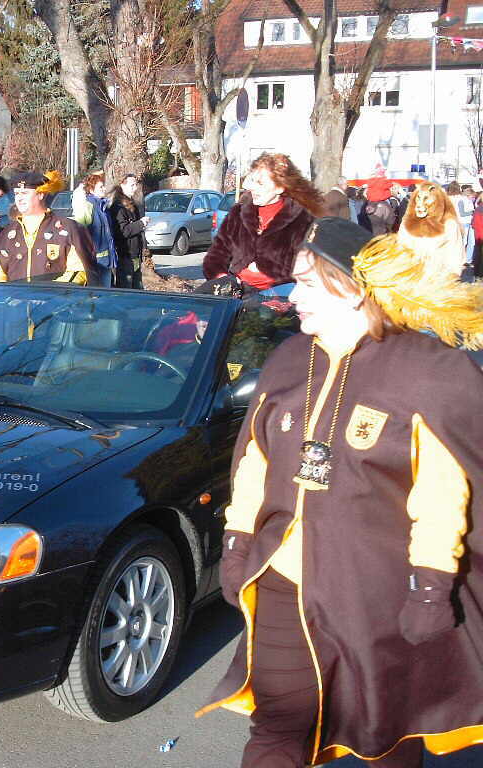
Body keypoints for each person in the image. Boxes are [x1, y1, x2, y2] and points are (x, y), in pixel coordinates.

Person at [200, 217, 483, 768]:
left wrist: (430, 587)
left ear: (353, 289)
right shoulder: (289, 360)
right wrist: (237, 544)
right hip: (282, 580)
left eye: (307, 283)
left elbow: (441, 493)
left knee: (384, 737)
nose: (292, 295)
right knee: (277, 730)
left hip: (378, 594)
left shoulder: (425, 372)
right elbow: (255, 463)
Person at [202, 153, 324, 294]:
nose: (252, 187)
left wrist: (264, 270)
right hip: (236, 293)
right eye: (252, 181)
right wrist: (224, 281)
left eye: (260, 183)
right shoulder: (238, 214)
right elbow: (216, 256)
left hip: (280, 296)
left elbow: (309, 266)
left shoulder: (302, 219)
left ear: (280, 188)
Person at [0, 170, 100, 285]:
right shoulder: (7, 234)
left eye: (24, 193)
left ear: (41, 194)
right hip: (15, 297)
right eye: (17, 194)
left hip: (55, 296)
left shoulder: (68, 229)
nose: (19, 199)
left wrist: (45, 291)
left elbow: (79, 273)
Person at [72, 171, 118, 286]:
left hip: (107, 261)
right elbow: (81, 234)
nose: (104, 189)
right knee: (96, 294)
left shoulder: (103, 207)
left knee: (105, 293)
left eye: (103, 186)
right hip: (95, 263)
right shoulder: (88, 206)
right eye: (101, 187)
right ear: (91, 190)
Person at [108, 173, 147, 288]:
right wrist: (141, 223)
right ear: (122, 185)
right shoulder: (118, 207)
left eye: (136, 185)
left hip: (135, 255)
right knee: (126, 289)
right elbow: (123, 231)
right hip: (125, 256)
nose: (135, 188)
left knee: (137, 289)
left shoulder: (132, 203)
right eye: (132, 185)